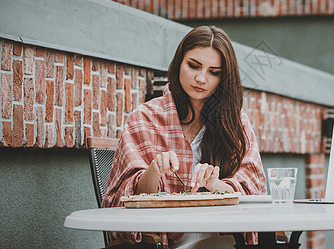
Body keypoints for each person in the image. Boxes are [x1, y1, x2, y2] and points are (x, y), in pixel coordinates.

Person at [102, 26, 267, 249]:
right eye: (193, 66)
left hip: (222, 241)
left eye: (214, 72)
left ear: (224, 78)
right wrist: (154, 169)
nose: (201, 78)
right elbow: (121, 202)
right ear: (179, 62)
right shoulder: (143, 118)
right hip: (159, 243)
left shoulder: (236, 122)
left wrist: (214, 185)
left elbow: (252, 192)